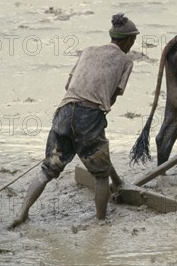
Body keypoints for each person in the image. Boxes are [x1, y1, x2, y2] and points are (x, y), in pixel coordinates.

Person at [10, 13, 139, 228]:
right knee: (100, 175)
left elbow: (68, 84)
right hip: (88, 116)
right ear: (127, 40)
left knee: (47, 170)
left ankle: (22, 212)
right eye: (133, 41)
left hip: (64, 111)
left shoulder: (88, 51)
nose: (132, 45)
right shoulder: (126, 61)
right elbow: (114, 96)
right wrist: (97, 113)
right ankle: (101, 222)